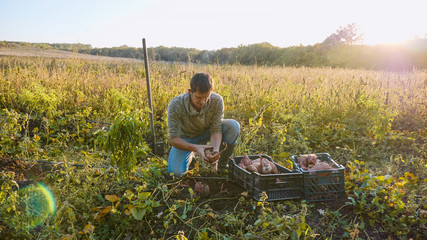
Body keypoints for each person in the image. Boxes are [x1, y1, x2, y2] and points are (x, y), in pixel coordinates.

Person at [167, 72, 240, 177]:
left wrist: (215, 152)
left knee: (233, 126)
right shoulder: (176, 104)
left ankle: (221, 166)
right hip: (186, 138)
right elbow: (174, 139)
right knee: (176, 173)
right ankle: (191, 155)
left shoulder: (216, 100)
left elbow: (216, 129)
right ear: (190, 92)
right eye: (198, 98)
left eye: (206, 97)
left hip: (207, 133)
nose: (202, 102)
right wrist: (196, 148)